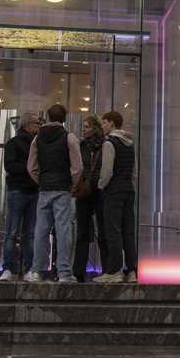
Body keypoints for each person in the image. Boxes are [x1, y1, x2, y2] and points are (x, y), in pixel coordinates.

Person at [24, 104, 83, 283]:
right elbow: (78, 167)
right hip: (63, 189)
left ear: (48, 117)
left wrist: (41, 181)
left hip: (44, 189)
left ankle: (37, 270)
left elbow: (31, 167)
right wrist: (72, 183)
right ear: (64, 118)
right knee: (63, 230)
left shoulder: (37, 138)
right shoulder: (69, 137)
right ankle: (64, 272)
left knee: (41, 230)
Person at [94, 110, 137, 284]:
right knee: (128, 231)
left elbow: (107, 172)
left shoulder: (109, 143)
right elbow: (134, 171)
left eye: (104, 123)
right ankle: (132, 271)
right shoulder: (129, 143)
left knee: (113, 231)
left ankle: (114, 271)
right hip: (129, 190)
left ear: (112, 124)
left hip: (114, 191)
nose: (102, 126)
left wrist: (100, 186)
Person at [0, 112, 40, 281]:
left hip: (34, 191)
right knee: (12, 231)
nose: (38, 126)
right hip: (17, 190)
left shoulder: (38, 144)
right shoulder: (13, 143)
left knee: (30, 233)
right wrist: (30, 168)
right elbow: (10, 166)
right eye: (36, 123)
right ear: (26, 125)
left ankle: (29, 268)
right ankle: (8, 268)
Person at [73, 114, 110, 282]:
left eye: (87, 127)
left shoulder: (106, 145)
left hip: (101, 192)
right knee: (82, 232)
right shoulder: (81, 146)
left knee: (104, 231)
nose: (84, 130)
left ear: (95, 128)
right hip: (84, 192)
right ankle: (78, 271)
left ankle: (107, 269)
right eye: (83, 127)